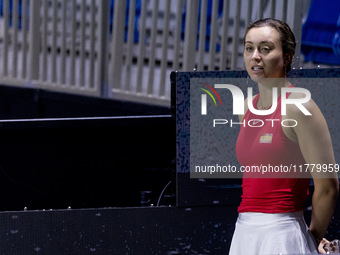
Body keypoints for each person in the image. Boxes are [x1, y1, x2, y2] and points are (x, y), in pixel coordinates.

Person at [229, 18, 339, 254]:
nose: (255, 56)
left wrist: (311, 238)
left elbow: (328, 187)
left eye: (265, 49)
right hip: (244, 231)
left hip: (282, 233)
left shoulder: (300, 107)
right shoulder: (246, 107)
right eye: (249, 48)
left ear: (287, 56)